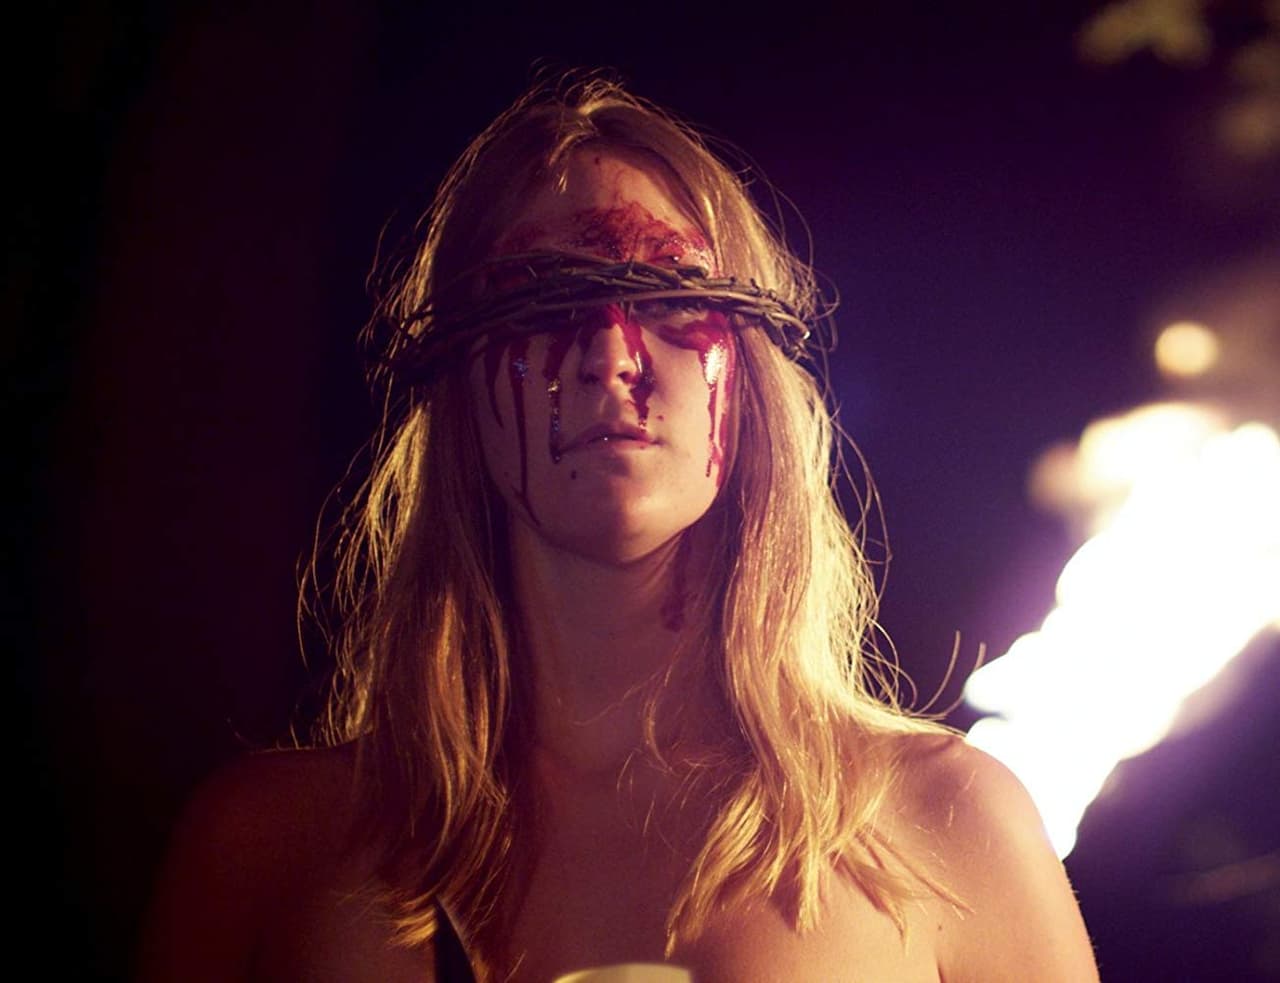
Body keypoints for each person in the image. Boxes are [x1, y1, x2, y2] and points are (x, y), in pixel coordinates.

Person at [138, 74, 1100, 982]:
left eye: (671, 294)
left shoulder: (946, 822)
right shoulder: (271, 845)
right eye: (542, 298)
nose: (610, 354)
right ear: (460, 390)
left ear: (750, 375)